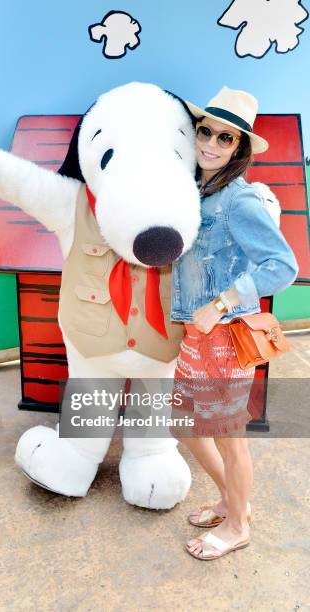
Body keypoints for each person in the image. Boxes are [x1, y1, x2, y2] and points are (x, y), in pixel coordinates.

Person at [169, 86, 298, 560]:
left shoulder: (238, 201)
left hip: (223, 338)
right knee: (186, 425)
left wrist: (222, 303)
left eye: (225, 139)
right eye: (206, 131)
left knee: (228, 435)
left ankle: (239, 524)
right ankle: (232, 500)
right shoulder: (200, 189)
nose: (210, 144)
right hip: (195, 334)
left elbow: (283, 266)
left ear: (239, 149)